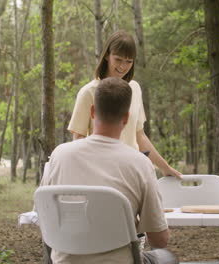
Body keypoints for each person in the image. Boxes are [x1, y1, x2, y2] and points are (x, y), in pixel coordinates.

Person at [41, 77, 179, 264]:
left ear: (92, 111)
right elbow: (159, 240)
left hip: (65, 261)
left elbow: (45, 217)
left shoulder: (59, 155)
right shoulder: (140, 163)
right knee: (165, 257)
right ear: (126, 118)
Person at [68, 30, 181, 178]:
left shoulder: (134, 89)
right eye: (118, 59)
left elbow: (139, 136)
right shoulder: (88, 92)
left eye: (129, 61)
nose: (123, 66)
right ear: (107, 56)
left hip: (131, 171)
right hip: (102, 174)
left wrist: (165, 168)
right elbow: (78, 140)